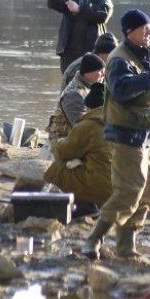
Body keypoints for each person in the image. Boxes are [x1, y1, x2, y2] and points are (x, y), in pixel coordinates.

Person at [81, 8, 150, 261]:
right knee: (130, 190)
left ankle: (126, 248)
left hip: (149, 135)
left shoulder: (149, 57)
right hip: (126, 134)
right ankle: (93, 240)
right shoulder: (119, 59)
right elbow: (120, 89)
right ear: (130, 31)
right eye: (144, 28)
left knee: (149, 191)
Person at [44, 82, 112, 217]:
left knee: (58, 168)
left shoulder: (88, 125)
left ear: (88, 106)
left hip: (101, 185)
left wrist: (60, 143)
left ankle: (85, 205)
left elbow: (64, 152)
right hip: (123, 184)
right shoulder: (120, 122)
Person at [45, 0, 114, 74]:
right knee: (69, 84)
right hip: (69, 52)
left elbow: (102, 16)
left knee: (93, 84)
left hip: (93, 51)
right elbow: (53, 3)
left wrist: (80, 9)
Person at [46, 52, 105, 149]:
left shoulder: (90, 87)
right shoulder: (74, 94)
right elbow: (80, 126)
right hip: (61, 140)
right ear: (88, 72)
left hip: (74, 136)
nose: (103, 74)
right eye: (100, 70)